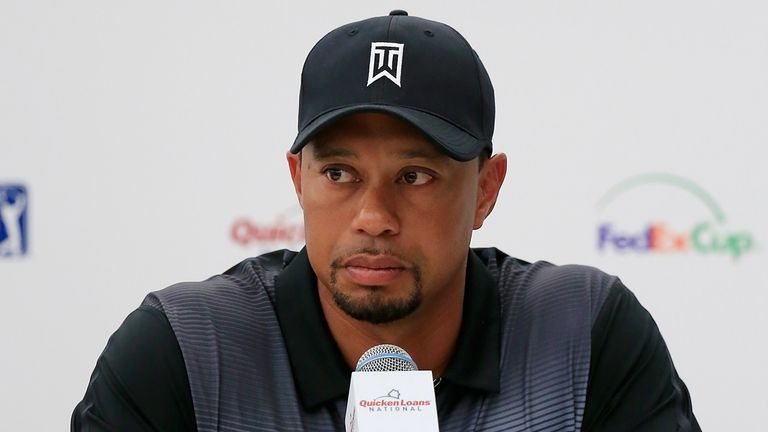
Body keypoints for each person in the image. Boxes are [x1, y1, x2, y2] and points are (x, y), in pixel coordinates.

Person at [72, 10, 701, 432]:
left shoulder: (586, 337)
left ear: (486, 189)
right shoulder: (184, 348)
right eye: (340, 173)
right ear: (298, 180)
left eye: (415, 176)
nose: (374, 218)